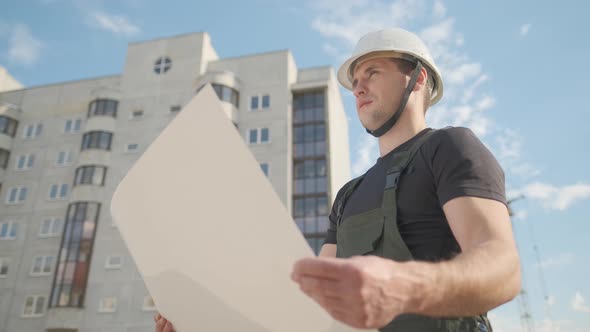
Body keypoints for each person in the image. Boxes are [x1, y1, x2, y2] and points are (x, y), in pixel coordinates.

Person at [290, 28, 521, 331]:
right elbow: (324, 300)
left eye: (372, 73)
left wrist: (404, 289)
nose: (358, 89)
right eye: (355, 82)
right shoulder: (347, 195)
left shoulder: (450, 147)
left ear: (418, 77)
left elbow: (504, 271)